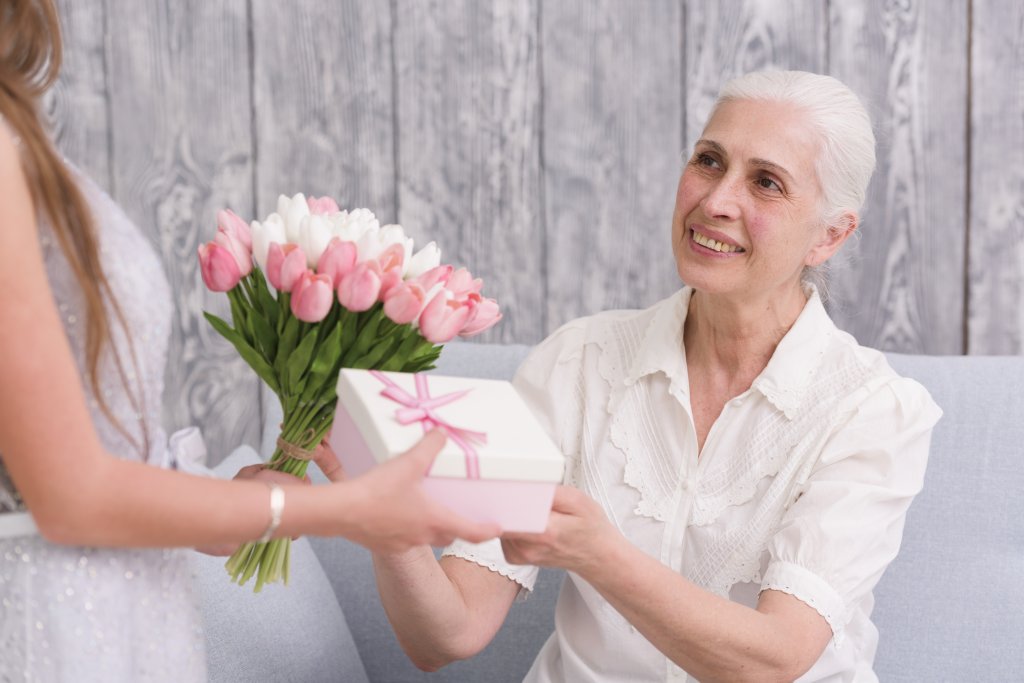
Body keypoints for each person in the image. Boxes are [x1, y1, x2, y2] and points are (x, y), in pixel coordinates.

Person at [367, 70, 942, 682]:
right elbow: (448, 634)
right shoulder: (576, 362)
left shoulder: (873, 410)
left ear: (830, 236)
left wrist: (601, 554)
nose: (716, 201)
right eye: (708, 160)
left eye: (766, 182)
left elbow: (773, 661)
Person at [0, 1, 498, 680]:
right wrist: (341, 509)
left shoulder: (19, 136)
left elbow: (59, 468)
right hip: (57, 626)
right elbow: (69, 495)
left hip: (111, 613)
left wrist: (235, 508)